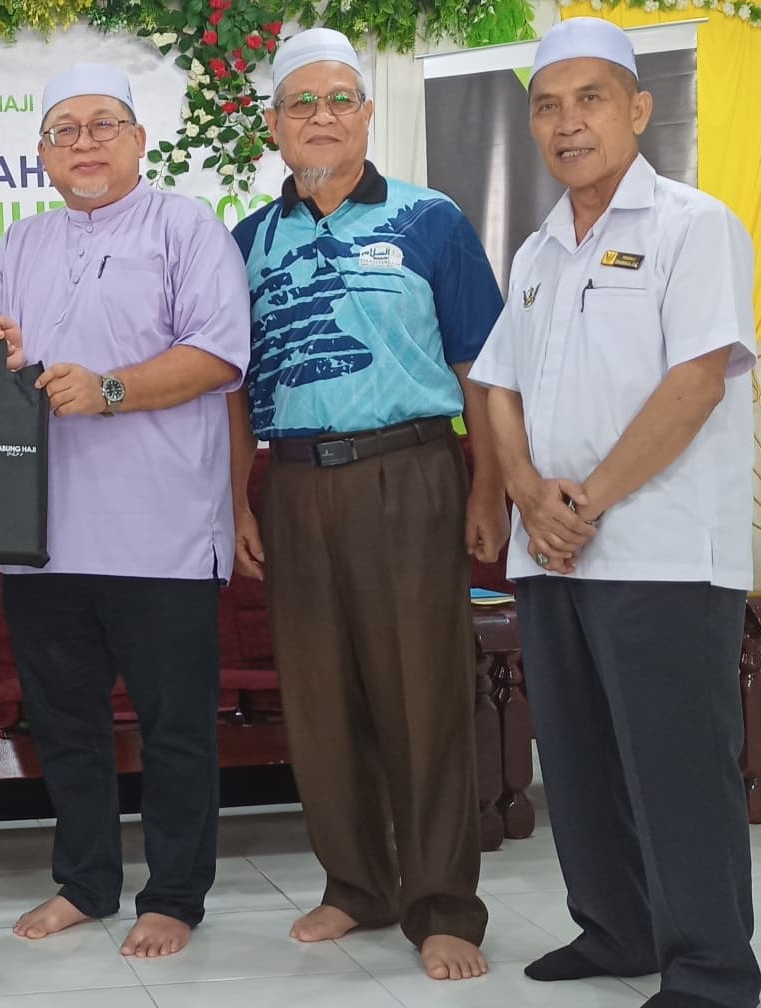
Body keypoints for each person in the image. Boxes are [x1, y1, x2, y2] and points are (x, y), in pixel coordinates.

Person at [469, 18, 760, 1008]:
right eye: (547, 106)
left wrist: (583, 502)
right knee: (578, 759)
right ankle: (616, 929)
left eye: (590, 99)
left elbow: (696, 384)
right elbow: (497, 384)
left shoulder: (694, 226)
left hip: (663, 551)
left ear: (638, 109)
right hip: (552, 553)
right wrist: (523, 489)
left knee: (677, 765)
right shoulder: (538, 251)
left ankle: (712, 968)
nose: (567, 122)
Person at [225, 27, 505, 981]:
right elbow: (233, 390)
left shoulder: (431, 218)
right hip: (294, 479)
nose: (322, 117)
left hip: (410, 472)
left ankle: (443, 903)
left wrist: (489, 485)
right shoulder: (248, 242)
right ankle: (356, 884)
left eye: (339, 99)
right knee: (318, 695)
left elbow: (479, 369)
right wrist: (239, 503)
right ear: (273, 126)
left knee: (423, 694)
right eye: (301, 103)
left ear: (367, 113)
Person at [0, 63, 251, 959]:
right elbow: (2, 366)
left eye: (103, 125)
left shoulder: (185, 226)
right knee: (66, 727)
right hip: (40, 532)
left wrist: (112, 389)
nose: (84, 143)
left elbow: (220, 353)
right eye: (65, 130)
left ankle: (174, 895)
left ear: (139, 140)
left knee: (175, 730)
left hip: (160, 530)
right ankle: (86, 883)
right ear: (42, 154)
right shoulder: (23, 241)